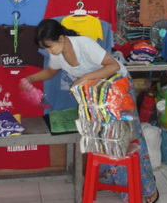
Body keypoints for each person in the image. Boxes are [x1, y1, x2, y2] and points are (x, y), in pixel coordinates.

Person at [24, 19, 159, 203]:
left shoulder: (85, 44)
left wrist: (84, 78)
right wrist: (30, 78)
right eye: (45, 49)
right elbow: (50, 71)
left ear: (61, 38)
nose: (49, 52)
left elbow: (113, 66)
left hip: (119, 89)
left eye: (50, 47)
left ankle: (148, 186)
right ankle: (116, 183)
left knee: (129, 137)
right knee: (105, 139)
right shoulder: (58, 53)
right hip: (96, 95)